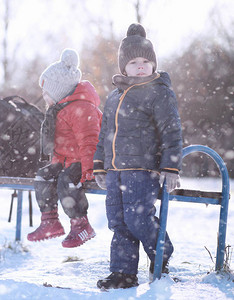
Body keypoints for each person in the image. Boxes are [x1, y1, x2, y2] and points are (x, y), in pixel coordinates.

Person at [93, 23, 183, 289]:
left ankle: (161, 257)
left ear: (154, 64)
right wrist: (100, 166)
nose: (141, 66)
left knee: (138, 218)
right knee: (119, 222)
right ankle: (123, 272)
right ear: (124, 68)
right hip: (115, 171)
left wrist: (171, 166)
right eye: (134, 62)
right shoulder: (113, 97)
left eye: (146, 61)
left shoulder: (159, 92)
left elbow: (171, 131)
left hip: (143, 169)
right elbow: (104, 134)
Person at [27, 48, 102, 248]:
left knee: (67, 180)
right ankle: (50, 221)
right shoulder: (58, 111)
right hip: (70, 161)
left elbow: (90, 141)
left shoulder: (81, 108)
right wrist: (54, 165)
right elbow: (60, 147)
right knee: (44, 175)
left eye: (46, 92)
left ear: (59, 91)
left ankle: (81, 225)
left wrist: (90, 169)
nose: (43, 96)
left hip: (88, 161)